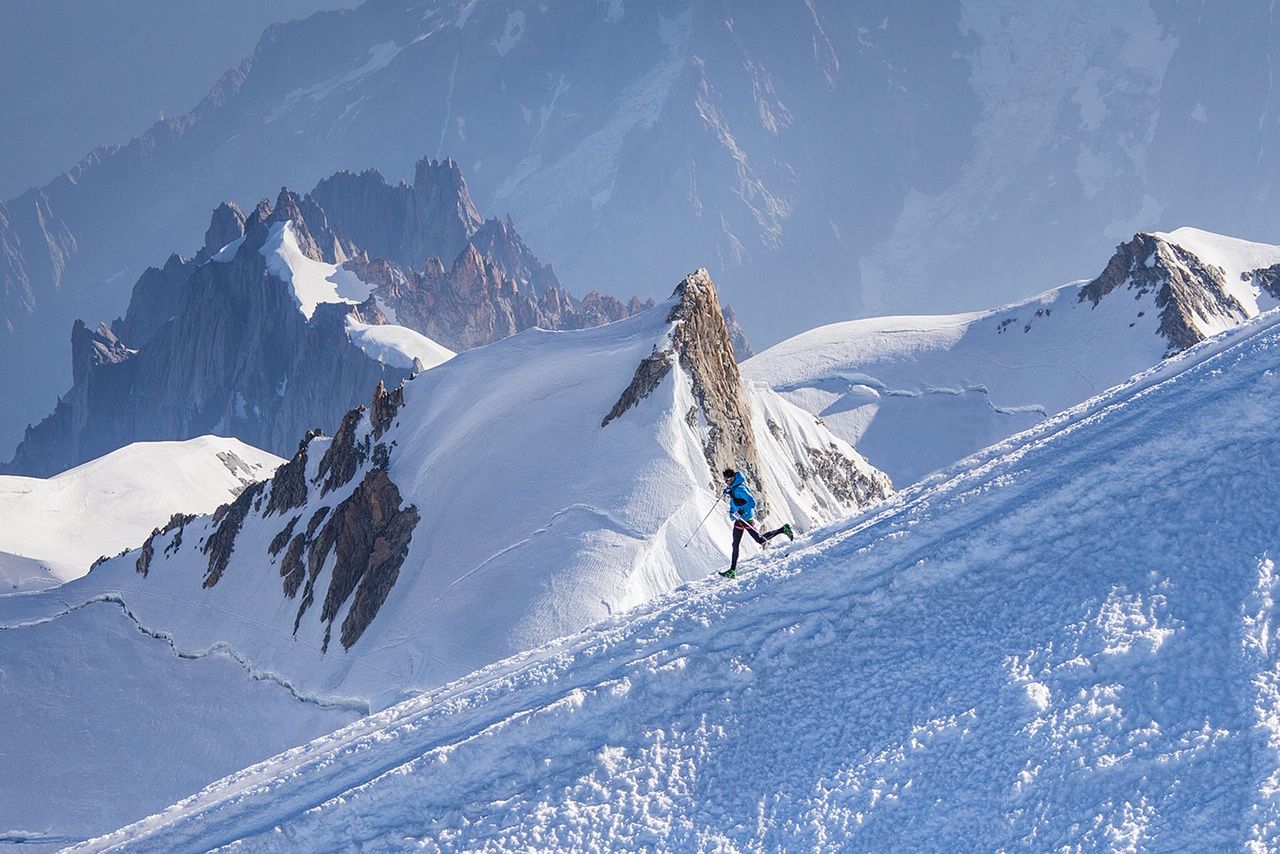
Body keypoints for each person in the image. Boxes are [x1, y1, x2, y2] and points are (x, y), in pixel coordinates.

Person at [719, 467, 793, 578]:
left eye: (727, 480)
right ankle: (732, 570)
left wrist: (741, 510)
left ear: (733, 478)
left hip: (746, 518)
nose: (726, 482)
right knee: (735, 544)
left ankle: (783, 529)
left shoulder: (740, 489)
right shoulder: (734, 488)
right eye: (725, 481)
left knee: (760, 539)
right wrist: (729, 492)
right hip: (739, 519)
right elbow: (735, 499)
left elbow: (752, 502)